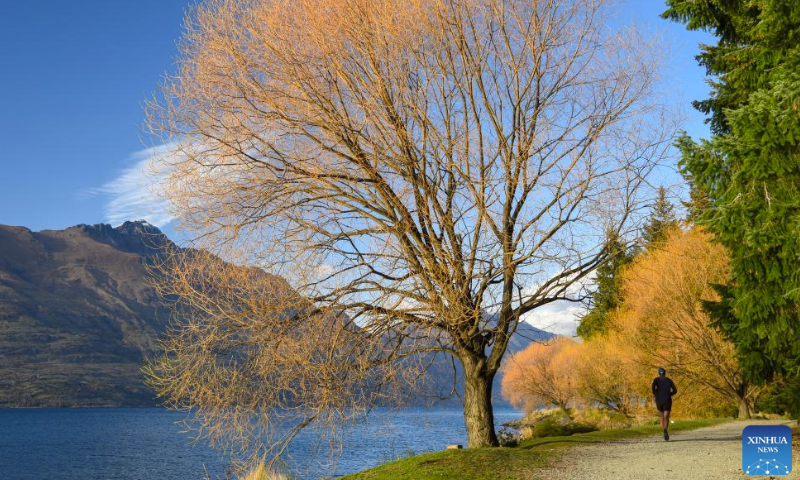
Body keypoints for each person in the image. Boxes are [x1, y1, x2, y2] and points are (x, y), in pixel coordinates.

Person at [651, 367, 677, 441]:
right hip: (667, 399)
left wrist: (656, 394)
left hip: (659, 399)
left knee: (661, 415)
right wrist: (669, 394)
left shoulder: (656, 380)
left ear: (659, 373)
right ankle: (665, 428)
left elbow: (653, 389)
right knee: (666, 416)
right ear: (665, 373)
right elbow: (675, 390)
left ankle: (663, 429)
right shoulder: (669, 380)